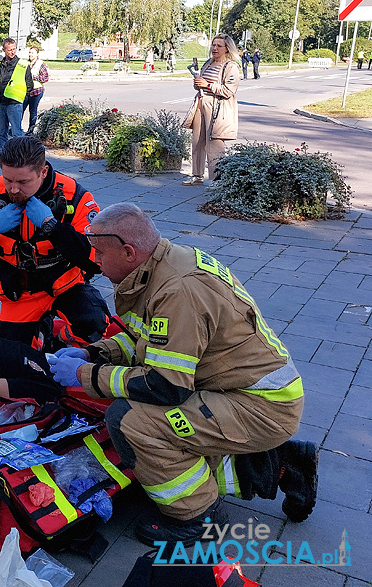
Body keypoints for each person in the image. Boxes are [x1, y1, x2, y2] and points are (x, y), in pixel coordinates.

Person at [46, 203, 318, 544]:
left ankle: (197, 516)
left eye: (100, 253)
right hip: (242, 393)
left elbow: (164, 386)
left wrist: (86, 374)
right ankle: (280, 465)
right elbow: (144, 340)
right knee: (163, 420)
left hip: (260, 406)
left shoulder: (178, 290)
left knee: (131, 421)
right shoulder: (164, 265)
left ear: (129, 251)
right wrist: (93, 352)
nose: (95, 262)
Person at [0, 136, 108, 350]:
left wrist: (52, 227)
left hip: (64, 285)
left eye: (23, 182)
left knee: (93, 324)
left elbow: (98, 259)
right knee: (13, 355)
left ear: (43, 172)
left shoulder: (73, 195)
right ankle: (40, 331)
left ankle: (57, 343)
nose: (14, 189)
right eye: (8, 179)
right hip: (20, 293)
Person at [183, 34, 239, 187]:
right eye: (213, 45)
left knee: (214, 144)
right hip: (201, 103)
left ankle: (216, 180)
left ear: (227, 48)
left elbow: (229, 90)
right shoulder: (209, 63)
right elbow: (200, 82)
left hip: (217, 107)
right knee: (197, 141)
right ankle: (196, 175)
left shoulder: (230, 66)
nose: (215, 48)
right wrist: (198, 83)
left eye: (219, 45)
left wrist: (207, 85)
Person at [0, 38, 32, 164]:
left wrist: (21, 97)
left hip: (14, 103)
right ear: (4, 50)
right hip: (1, 102)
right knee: (2, 133)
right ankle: (4, 157)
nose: (12, 52)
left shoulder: (22, 64)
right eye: (9, 50)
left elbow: (29, 85)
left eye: (14, 49)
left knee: (17, 132)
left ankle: (19, 158)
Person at [24, 46, 48, 134]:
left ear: (37, 54)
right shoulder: (26, 63)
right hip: (26, 91)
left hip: (36, 91)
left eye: (32, 53)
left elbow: (45, 78)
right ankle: (16, 128)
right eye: (29, 52)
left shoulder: (40, 64)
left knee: (33, 111)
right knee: (20, 109)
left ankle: (31, 130)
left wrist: (34, 77)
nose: (30, 54)